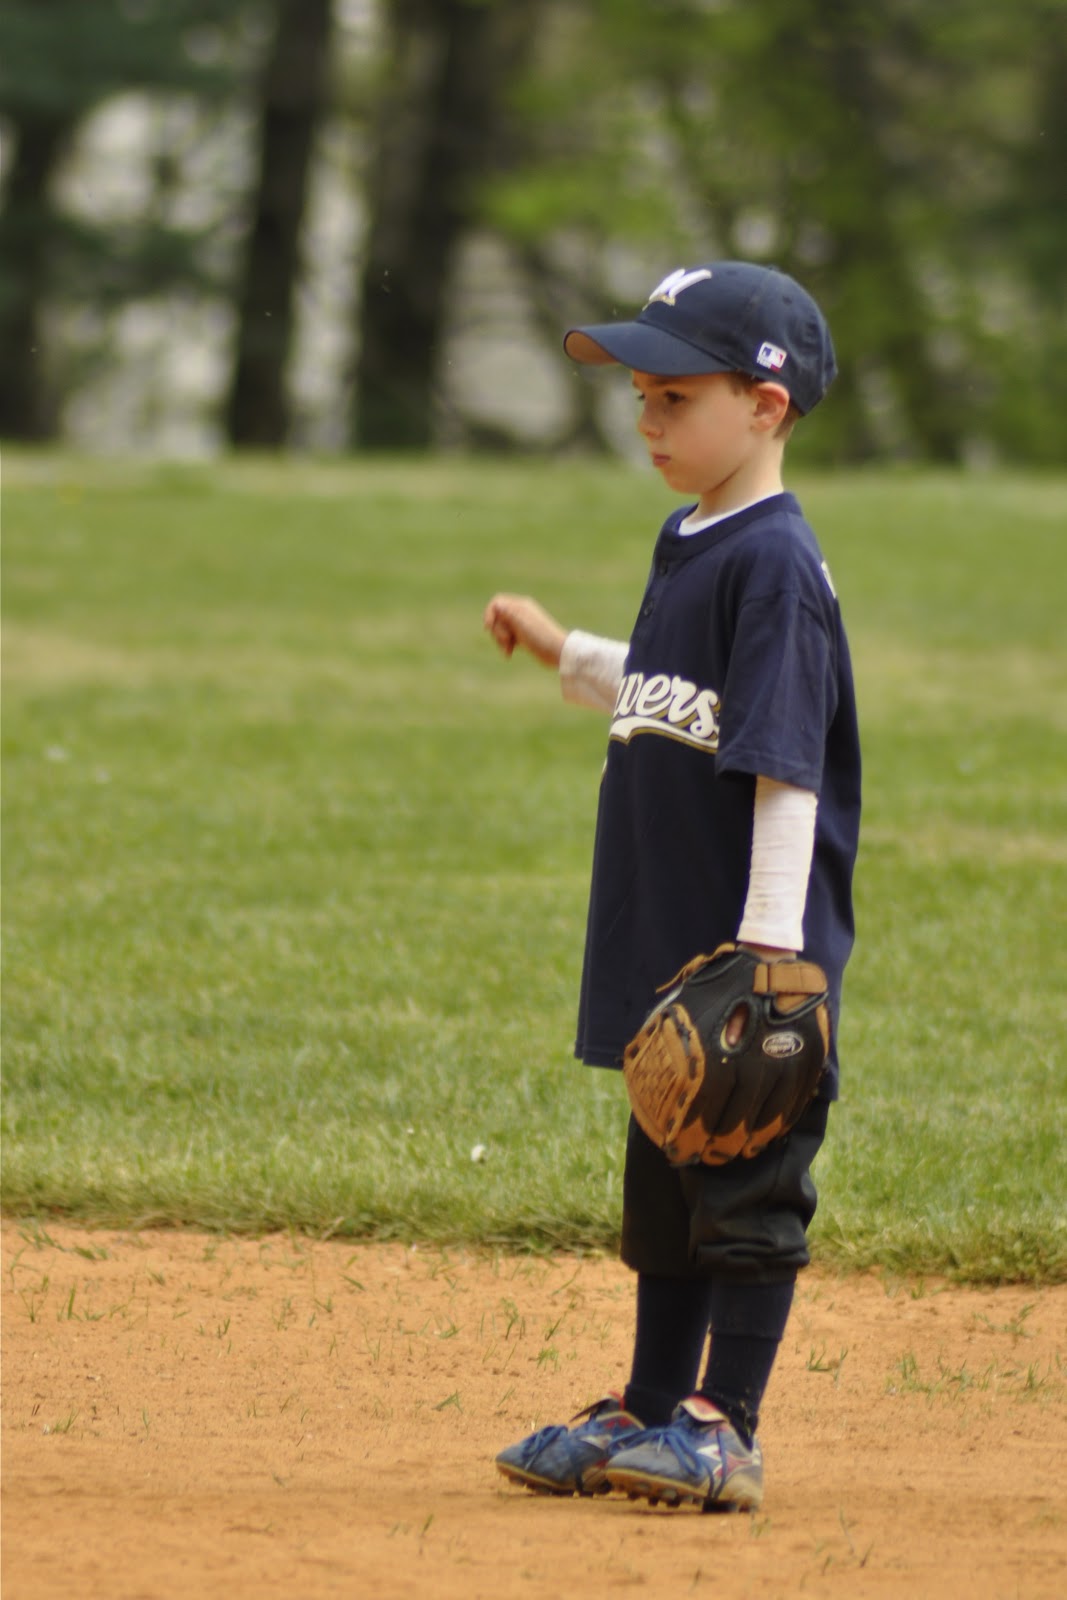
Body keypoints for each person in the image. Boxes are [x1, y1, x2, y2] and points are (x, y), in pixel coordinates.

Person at [484, 261, 861, 1512]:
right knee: (666, 1187)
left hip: (741, 964)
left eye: (673, 395)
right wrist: (566, 651)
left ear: (765, 404)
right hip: (669, 955)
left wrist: (762, 959)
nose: (646, 421)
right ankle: (650, 1405)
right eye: (638, 395)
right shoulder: (690, 537)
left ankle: (724, 1423)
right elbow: (671, 693)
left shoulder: (778, 565)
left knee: (744, 1184)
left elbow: (780, 765)